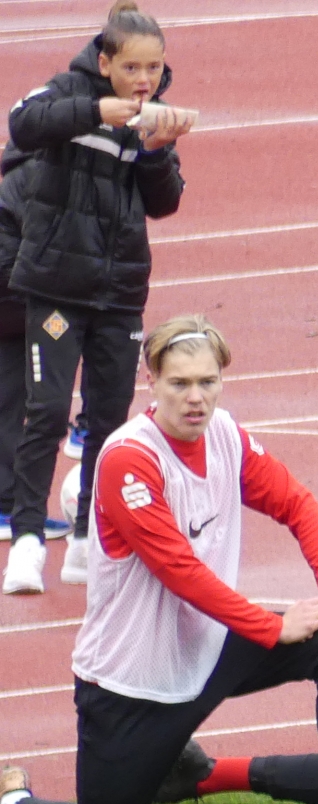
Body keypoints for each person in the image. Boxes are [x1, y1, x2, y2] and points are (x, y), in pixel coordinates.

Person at [0, 317, 318, 804]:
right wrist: (273, 626)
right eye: (180, 383)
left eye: (208, 381)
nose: (196, 397)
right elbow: (179, 570)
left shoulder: (225, 433)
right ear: (152, 381)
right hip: (134, 682)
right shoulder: (130, 459)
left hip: (211, 647)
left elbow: (297, 503)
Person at [3, 1, 193, 595]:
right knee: (48, 410)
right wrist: (94, 112)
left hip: (120, 292)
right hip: (57, 287)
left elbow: (163, 204)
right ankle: (28, 542)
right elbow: (23, 124)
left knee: (108, 424)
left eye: (155, 68)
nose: (144, 80)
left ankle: (88, 540)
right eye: (133, 67)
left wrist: (158, 149)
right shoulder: (66, 92)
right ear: (105, 61)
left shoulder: (150, 113)